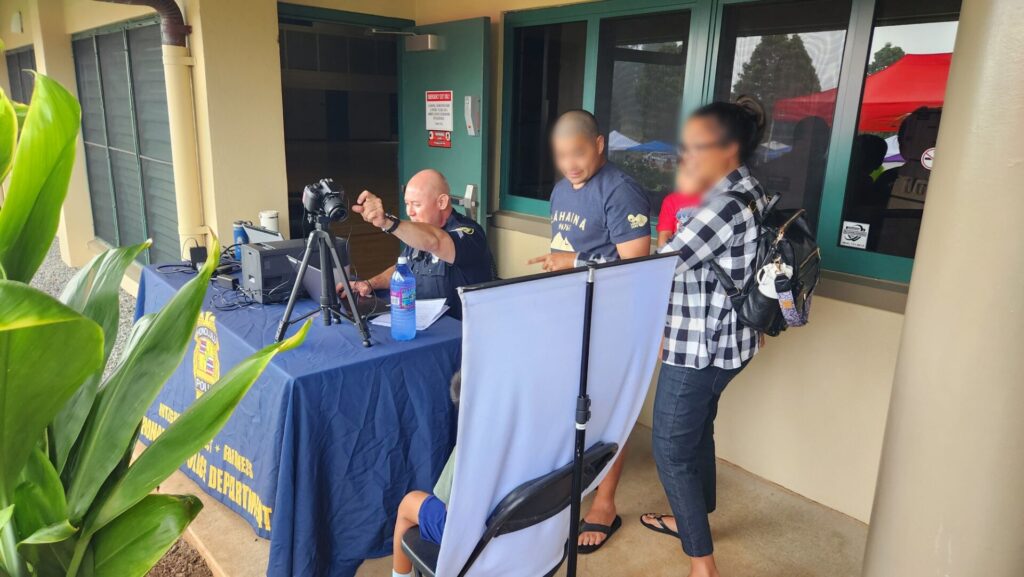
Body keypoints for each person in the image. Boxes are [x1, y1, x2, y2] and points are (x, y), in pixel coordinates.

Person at [641, 97, 768, 577]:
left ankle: (702, 564)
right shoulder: (749, 189)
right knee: (697, 432)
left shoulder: (721, 205)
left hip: (700, 347)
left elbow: (660, 266)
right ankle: (694, 518)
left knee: (671, 448)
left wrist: (585, 266)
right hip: (734, 342)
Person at [528, 109, 651, 553]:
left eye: (578, 153)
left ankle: (604, 503)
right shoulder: (562, 191)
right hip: (569, 315)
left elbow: (639, 268)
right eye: (562, 156)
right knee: (570, 408)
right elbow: (563, 248)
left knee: (607, 412)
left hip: (612, 320)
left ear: (599, 144)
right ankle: (569, 486)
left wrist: (576, 265)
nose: (570, 164)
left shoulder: (621, 191)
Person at [340, 169, 495, 319]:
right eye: (407, 203)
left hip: (458, 335)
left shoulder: (471, 234)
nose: (409, 212)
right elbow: (403, 269)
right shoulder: (417, 233)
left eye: (416, 204)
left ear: (441, 202)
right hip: (422, 325)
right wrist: (369, 284)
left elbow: (436, 242)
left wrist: (387, 222)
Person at [391, 372, 461, 577]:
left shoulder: (468, 450)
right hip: (529, 537)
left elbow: (448, 504)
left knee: (408, 504)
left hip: (477, 538)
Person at [657, 161, 708, 248]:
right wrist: (665, 257)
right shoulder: (671, 200)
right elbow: (665, 234)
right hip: (677, 253)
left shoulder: (713, 198)